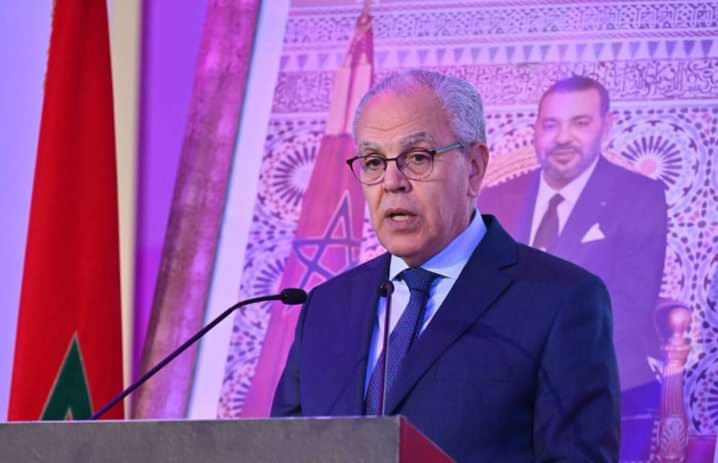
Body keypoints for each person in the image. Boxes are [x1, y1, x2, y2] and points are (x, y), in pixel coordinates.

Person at [272, 70, 620, 462]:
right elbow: (283, 450)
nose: (391, 181)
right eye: (373, 162)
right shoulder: (326, 307)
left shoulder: (561, 301)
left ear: (474, 167)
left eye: (417, 158)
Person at [478, 76, 667, 452]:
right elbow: (479, 296)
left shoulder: (639, 196)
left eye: (580, 123)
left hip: (604, 382)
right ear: (535, 130)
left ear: (606, 127)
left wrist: (544, 369)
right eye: (551, 124)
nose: (563, 138)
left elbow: (630, 305)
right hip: (507, 386)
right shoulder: (496, 200)